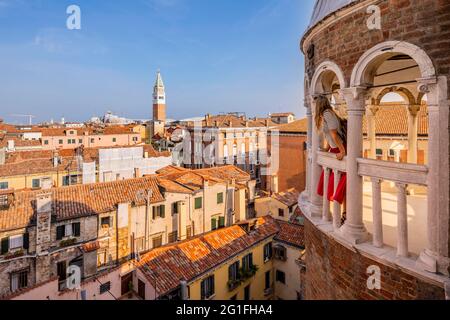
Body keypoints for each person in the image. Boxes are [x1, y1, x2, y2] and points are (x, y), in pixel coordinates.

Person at [314, 95, 347, 224]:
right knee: (336, 182)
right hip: (335, 148)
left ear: (319, 105)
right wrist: (327, 148)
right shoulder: (324, 116)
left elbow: (334, 134)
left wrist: (342, 150)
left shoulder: (327, 114)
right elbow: (329, 136)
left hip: (340, 148)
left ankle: (344, 213)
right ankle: (344, 213)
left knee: (341, 183)